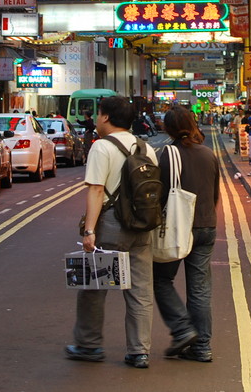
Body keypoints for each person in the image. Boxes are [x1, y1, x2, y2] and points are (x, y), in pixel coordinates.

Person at [66, 96, 159, 368]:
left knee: (94, 287)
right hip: (141, 227)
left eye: (98, 114)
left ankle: (89, 344)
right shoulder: (146, 147)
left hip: (111, 226)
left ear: (106, 117)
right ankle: (139, 351)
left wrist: (90, 231)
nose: (96, 119)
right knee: (140, 290)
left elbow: (96, 189)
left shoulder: (102, 147)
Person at [153, 105, 220, 363]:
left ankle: (182, 329)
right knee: (200, 289)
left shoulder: (168, 154)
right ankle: (202, 347)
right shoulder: (208, 154)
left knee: (161, 280)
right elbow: (214, 194)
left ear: (168, 128)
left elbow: (159, 193)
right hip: (207, 226)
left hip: (178, 227)